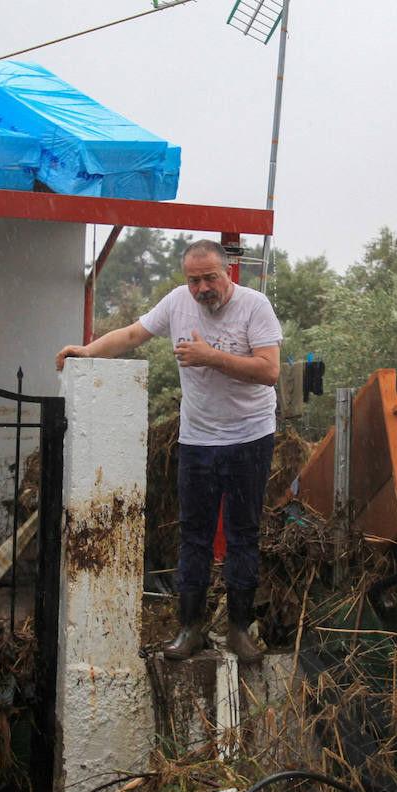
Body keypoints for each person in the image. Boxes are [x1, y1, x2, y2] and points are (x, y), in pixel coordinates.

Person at [56, 240, 282, 662]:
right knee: (193, 534)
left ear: (227, 272)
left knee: (243, 534)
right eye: (194, 280)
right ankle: (189, 629)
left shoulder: (255, 307)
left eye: (209, 278)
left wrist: (210, 357)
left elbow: (269, 371)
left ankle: (239, 630)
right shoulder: (178, 302)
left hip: (250, 437)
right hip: (197, 439)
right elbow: (132, 334)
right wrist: (86, 351)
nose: (201, 289)